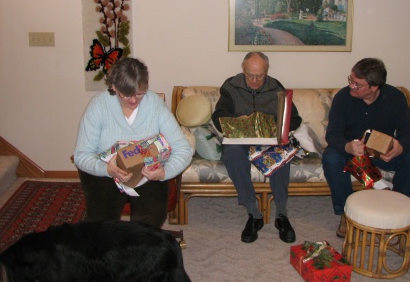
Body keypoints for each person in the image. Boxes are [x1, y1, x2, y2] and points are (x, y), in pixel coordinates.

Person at [74, 57, 193, 227]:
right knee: (101, 222)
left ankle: (138, 248)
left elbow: (183, 149)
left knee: (151, 218)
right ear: (114, 87)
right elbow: (81, 155)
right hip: (106, 170)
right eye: (126, 94)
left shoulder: (154, 104)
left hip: (146, 171)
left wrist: (164, 172)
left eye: (139, 94)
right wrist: (106, 169)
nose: (133, 101)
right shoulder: (99, 105)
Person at [323, 57, 410, 238]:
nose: (351, 86)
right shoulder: (343, 97)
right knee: (330, 157)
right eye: (351, 81)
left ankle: (398, 211)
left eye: (357, 84)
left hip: (382, 154)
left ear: (374, 87)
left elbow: (409, 134)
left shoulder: (396, 98)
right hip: (352, 153)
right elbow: (332, 134)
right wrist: (348, 146)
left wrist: (399, 148)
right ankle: (346, 213)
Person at [212, 52, 302, 243]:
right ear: (243, 70)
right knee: (231, 153)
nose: (254, 81)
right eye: (249, 75)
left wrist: (272, 124)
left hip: (268, 140)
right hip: (240, 140)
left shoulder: (277, 88)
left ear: (266, 71)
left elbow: (295, 119)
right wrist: (238, 122)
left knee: (281, 152)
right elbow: (218, 116)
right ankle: (254, 214)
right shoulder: (230, 86)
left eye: (259, 76)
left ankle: (282, 215)